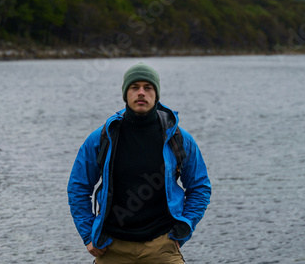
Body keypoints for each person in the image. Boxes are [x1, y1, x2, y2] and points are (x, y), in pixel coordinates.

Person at [68, 62, 211, 263]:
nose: (141, 93)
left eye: (148, 87)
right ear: (126, 94)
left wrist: (184, 228)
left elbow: (200, 187)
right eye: (135, 87)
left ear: (156, 94)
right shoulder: (102, 137)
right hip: (112, 247)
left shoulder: (178, 138)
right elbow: (78, 187)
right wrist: (88, 235)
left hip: (162, 246)